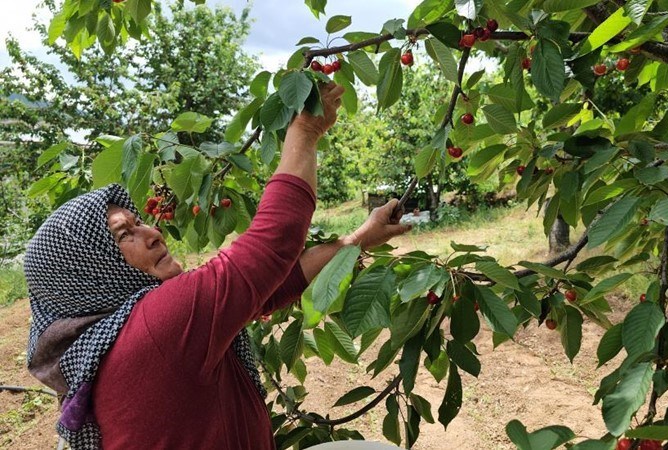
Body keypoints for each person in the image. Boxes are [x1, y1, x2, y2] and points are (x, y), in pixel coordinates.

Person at [23, 82, 412, 449]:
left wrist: (362, 237)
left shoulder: (107, 343)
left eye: (140, 220)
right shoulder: (154, 327)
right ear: (90, 272)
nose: (153, 232)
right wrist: (305, 131)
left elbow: (266, 288)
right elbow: (270, 247)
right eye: (125, 234)